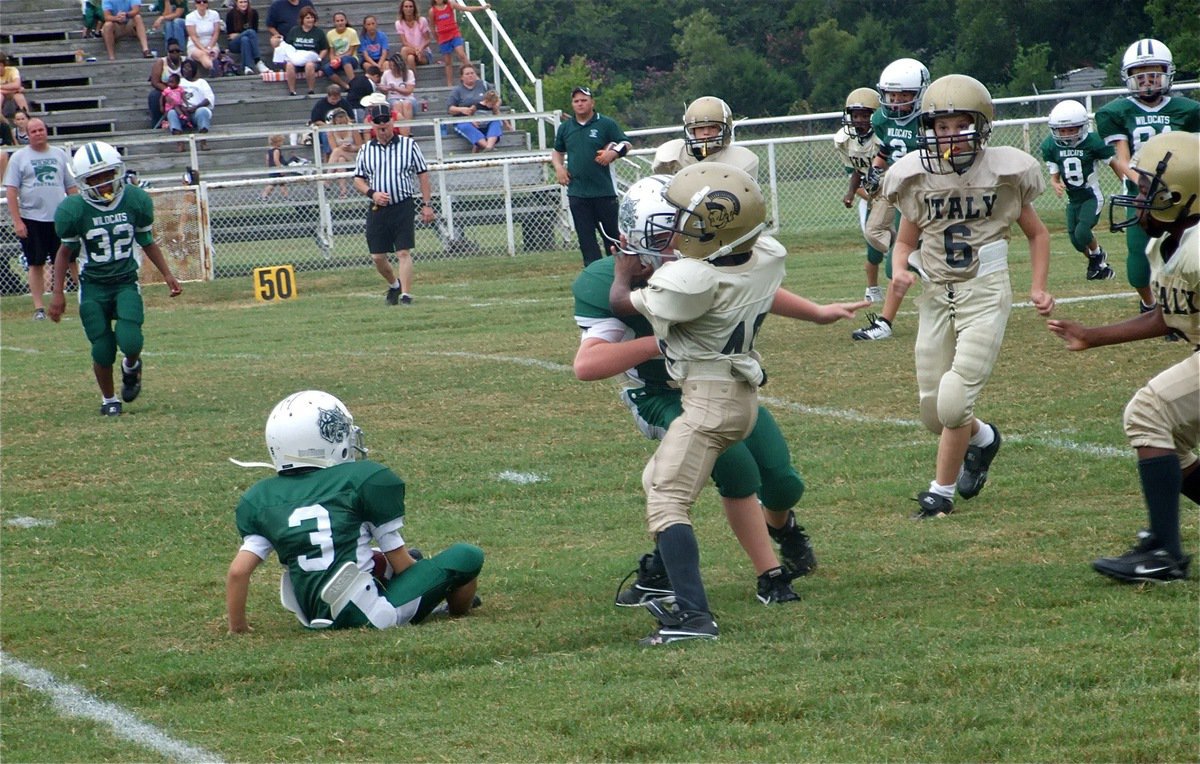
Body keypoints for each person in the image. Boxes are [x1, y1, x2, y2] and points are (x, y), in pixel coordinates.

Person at [576, 176, 866, 609]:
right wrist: (673, 343)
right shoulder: (605, 281)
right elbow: (587, 365)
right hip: (661, 393)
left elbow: (743, 288)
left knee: (781, 479)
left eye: (683, 225)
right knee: (734, 469)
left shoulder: (705, 256)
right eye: (666, 229)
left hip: (722, 383)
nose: (679, 238)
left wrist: (818, 313)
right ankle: (768, 575)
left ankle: (780, 528)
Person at [606, 163, 792, 645]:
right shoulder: (767, 256)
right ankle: (665, 579)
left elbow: (622, 303)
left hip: (710, 400)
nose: (679, 230)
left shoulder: (693, 282)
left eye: (689, 221)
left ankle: (694, 618)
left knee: (667, 499)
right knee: (656, 480)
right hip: (737, 392)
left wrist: (624, 268)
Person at [881, 74, 1055, 518]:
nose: (950, 136)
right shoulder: (917, 178)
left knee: (955, 398)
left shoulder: (1003, 172)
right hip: (937, 294)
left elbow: (1037, 233)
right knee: (933, 412)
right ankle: (983, 439)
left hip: (984, 289)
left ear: (981, 126)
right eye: (941, 127)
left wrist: (1037, 287)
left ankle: (940, 492)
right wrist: (900, 269)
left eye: (960, 125)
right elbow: (904, 242)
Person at [1048, 131, 1199, 583]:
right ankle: (1163, 547)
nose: (1137, 197)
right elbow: (1170, 315)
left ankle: (1165, 556)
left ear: (1182, 196)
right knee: (1165, 432)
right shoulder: (1174, 241)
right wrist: (1093, 336)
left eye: (1146, 189)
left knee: (1149, 412)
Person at [225, 390, 484, 633]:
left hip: (315, 614)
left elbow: (238, 571)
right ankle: (453, 609)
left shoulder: (262, 498)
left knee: (378, 559)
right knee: (466, 556)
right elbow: (403, 565)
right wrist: (434, 582)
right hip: (370, 614)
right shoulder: (360, 480)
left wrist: (238, 629)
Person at [48, 141, 183, 416]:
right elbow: (64, 253)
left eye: (107, 174)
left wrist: (168, 274)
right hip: (93, 286)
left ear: (117, 172)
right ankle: (109, 399)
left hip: (125, 281)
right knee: (102, 347)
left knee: (131, 340)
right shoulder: (74, 210)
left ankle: (131, 367)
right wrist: (58, 292)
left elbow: (146, 240)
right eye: (95, 178)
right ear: (84, 181)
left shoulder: (134, 200)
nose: (103, 182)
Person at [1095, 38, 1200, 326]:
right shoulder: (1115, 113)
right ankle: (1150, 304)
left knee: (1188, 255)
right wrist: (1147, 185)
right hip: (1140, 195)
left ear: (1167, 74)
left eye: (1154, 73)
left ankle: (1186, 307)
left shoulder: (1188, 110)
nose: (1147, 81)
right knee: (1139, 266)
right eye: (1139, 76)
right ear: (1128, 78)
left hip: (1183, 197)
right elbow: (1122, 159)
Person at [852, 57, 930, 341]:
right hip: (904, 198)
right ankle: (885, 322)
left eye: (903, 95)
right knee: (897, 264)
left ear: (920, 93)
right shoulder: (882, 119)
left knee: (928, 259)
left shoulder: (930, 119)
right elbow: (885, 151)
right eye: (891, 95)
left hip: (932, 196)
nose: (895, 102)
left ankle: (886, 321)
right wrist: (874, 170)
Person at [353, 102, 436, 305]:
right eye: (378, 123)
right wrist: (372, 193)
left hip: (402, 205)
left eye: (386, 122)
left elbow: (423, 175)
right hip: (378, 208)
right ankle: (394, 285)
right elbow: (358, 180)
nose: (383, 127)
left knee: (403, 251)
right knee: (377, 256)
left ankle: (406, 295)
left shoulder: (409, 146)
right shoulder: (366, 150)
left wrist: (427, 204)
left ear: (392, 121)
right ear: (373, 125)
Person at [1040, 99, 1130, 282]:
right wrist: (1055, 183)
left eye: (1072, 129)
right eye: (1062, 130)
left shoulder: (1093, 142)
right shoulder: (1051, 145)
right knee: (1075, 240)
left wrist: (1127, 183)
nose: (1066, 134)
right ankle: (1100, 268)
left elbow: (1113, 163)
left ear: (1082, 127)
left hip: (1091, 196)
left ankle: (1098, 255)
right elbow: (1055, 172)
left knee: (1082, 231)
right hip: (1073, 199)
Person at [3, 118, 79, 320]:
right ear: (27, 134)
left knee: (66, 260)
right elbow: (11, 191)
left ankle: (76, 298)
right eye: (33, 131)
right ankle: (39, 308)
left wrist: (78, 212)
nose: (38, 133)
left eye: (41, 129)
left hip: (59, 217)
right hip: (31, 218)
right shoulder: (19, 157)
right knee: (35, 263)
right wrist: (17, 221)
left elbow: (70, 186)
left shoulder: (59, 155)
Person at [551, 85, 631, 267]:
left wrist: (613, 154)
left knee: (613, 237)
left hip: (603, 192)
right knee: (586, 240)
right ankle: (595, 275)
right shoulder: (565, 128)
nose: (580, 104)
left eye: (584, 100)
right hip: (578, 192)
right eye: (576, 101)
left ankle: (621, 273)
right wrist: (559, 168)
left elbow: (625, 143)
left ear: (592, 102)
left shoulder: (605, 124)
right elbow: (557, 152)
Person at [834, 87, 886, 304]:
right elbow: (855, 172)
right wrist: (852, 193)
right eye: (856, 115)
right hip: (872, 195)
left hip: (894, 189)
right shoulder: (846, 140)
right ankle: (872, 289)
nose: (860, 120)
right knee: (873, 247)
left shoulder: (883, 136)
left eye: (865, 115)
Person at [651, 96, 757, 177]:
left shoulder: (740, 159)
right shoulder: (673, 154)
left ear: (725, 130)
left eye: (713, 127)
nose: (706, 132)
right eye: (700, 128)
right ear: (691, 130)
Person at [428, 0, 488, 87]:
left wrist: (481, 8)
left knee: (461, 54)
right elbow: (432, 27)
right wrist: (437, 39)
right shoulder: (432, 11)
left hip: (454, 33)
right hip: (443, 37)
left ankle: (475, 76)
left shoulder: (450, 4)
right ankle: (449, 84)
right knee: (448, 61)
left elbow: (465, 8)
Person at [447, 63, 502, 153]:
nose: (470, 75)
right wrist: (463, 110)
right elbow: (450, 109)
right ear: (462, 77)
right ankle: (489, 149)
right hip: (466, 120)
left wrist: (496, 105)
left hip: (486, 117)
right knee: (466, 126)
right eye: (467, 74)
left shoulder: (484, 85)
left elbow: (497, 99)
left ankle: (489, 147)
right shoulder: (457, 91)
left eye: (472, 73)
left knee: (496, 121)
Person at [169, 59, 214, 150]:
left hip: (196, 112)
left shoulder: (202, 82)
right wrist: (182, 108)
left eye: (188, 67)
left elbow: (209, 98)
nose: (186, 70)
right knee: (171, 113)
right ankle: (180, 143)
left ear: (193, 69)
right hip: (181, 112)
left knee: (202, 111)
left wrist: (195, 107)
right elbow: (171, 96)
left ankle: (203, 142)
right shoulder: (179, 82)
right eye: (184, 68)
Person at [283, 7, 326, 96]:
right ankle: (292, 91)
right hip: (296, 59)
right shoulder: (294, 31)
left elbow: (324, 49)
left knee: (309, 65)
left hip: (312, 60)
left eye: (312, 17)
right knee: (289, 65)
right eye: (307, 18)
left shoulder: (319, 32)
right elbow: (287, 46)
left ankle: (311, 90)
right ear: (302, 19)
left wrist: (319, 58)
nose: (310, 20)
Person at [225, 0, 270, 75]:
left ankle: (247, 67)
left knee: (245, 39)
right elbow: (230, 35)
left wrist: (239, 34)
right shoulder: (231, 14)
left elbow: (255, 32)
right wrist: (243, 34)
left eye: (245, 2)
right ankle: (257, 60)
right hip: (233, 44)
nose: (243, 4)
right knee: (250, 32)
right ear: (236, 3)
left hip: (247, 41)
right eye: (241, 2)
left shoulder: (253, 13)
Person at [146, 41, 184, 128]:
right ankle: (157, 123)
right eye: (172, 51)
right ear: (167, 52)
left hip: (182, 90)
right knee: (154, 96)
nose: (175, 53)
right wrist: (169, 91)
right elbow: (155, 82)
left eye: (177, 51)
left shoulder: (185, 61)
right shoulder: (161, 62)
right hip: (165, 89)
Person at [308, 84, 352, 158]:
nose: (334, 101)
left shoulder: (344, 103)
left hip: (342, 127)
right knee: (327, 134)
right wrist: (328, 126)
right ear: (328, 96)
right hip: (325, 128)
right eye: (332, 99)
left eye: (336, 99)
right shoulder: (320, 104)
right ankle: (328, 156)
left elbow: (351, 118)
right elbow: (315, 120)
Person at [325, 108, 361, 195]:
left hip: (353, 155)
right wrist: (342, 147)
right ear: (334, 120)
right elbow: (333, 148)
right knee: (340, 159)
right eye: (338, 118)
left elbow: (360, 146)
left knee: (338, 152)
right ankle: (343, 190)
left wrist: (351, 148)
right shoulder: (331, 130)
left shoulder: (352, 128)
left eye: (342, 117)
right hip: (339, 155)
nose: (341, 119)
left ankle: (327, 179)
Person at [323, 11, 359, 90]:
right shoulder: (330, 34)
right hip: (337, 60)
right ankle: (346, 86)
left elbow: (350, 52)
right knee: (326, 68)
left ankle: (354, 84)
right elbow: (331, 52)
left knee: (345, 59)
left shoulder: (352, 32)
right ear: (334, 23)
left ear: (346, 21)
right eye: (337, 21)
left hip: (351, 59)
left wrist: (338, 58)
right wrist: (333, 60)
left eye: (342, 20)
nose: (340, 23)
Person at [184, 0, 222, 72]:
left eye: (204, 1)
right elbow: (193, 36)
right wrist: (204, 50)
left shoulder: (214, 14)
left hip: (211, 43)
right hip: (195, 45)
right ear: (195, 4)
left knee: (212, 54)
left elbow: (216, 33)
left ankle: (212, 68)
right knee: (203, 55)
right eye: (199, 2)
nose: (202, 3)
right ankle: (212, 67)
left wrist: (209, 47)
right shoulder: (189, 17)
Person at [380, 52, 417, 125]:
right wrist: (383, 89)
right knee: (397, 104)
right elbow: (383, 89)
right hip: (392, 98)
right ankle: (400, 129)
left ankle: (407, 129)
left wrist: (395, 88)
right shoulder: (386, 73)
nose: (392, 68)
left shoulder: (409, 73)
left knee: (407, 104)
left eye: (394, 66)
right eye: (391, 66)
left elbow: (409, 91)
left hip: (408, 98)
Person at [394, 0, 431, 72]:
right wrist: (415, 50)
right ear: (402, 9)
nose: (408, 9)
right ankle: (411, 80)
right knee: (410, 58)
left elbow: (428, 40)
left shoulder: (421, 21)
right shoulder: (399, 23)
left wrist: (420, 49)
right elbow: (404, 42)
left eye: (411, 6)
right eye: (406, 7)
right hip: (410, 52)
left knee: (404, 50)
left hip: (424, 52)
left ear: (414, 8)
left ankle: (403, 77)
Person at [261, 133, 293, 199]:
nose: (282, 143)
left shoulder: (269, 151)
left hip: (272, 169)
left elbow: (267, 159)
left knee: (281, 184)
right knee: (273, 184)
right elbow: (276, 160)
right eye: (281, 141)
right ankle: (264, 196)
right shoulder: (276, 151)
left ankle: (286, 196)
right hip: (277, 170)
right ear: (277, 142)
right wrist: (280, 169)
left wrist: (268, 167)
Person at [0, 52, 31, 118]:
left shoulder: (12, 70)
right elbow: (17, 88)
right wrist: (14, 90)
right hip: (4, 96)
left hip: (12, 95)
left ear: (4, 65)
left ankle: (26, 116)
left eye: (0, 65)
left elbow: (17, 85)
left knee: (19, 96)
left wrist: (1, 89)